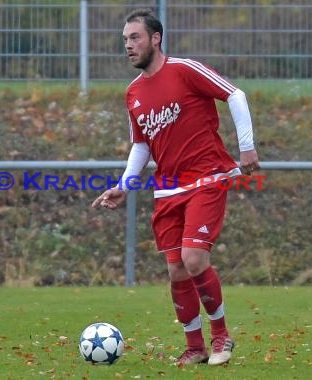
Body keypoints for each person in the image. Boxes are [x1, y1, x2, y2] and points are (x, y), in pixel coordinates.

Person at [91, 8, 260, 366]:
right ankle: (195, 347)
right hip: (168, 188)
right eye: (125, 39)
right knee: (176, 270)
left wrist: (246, 145)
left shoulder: (184, 70)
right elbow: (141, 144)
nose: (128, 45)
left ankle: (222, 338)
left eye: (134, 37)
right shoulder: (133, 93)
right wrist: (124, 184)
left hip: (207, 176)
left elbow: (236, 95)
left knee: (194, 258)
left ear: (155, 38)